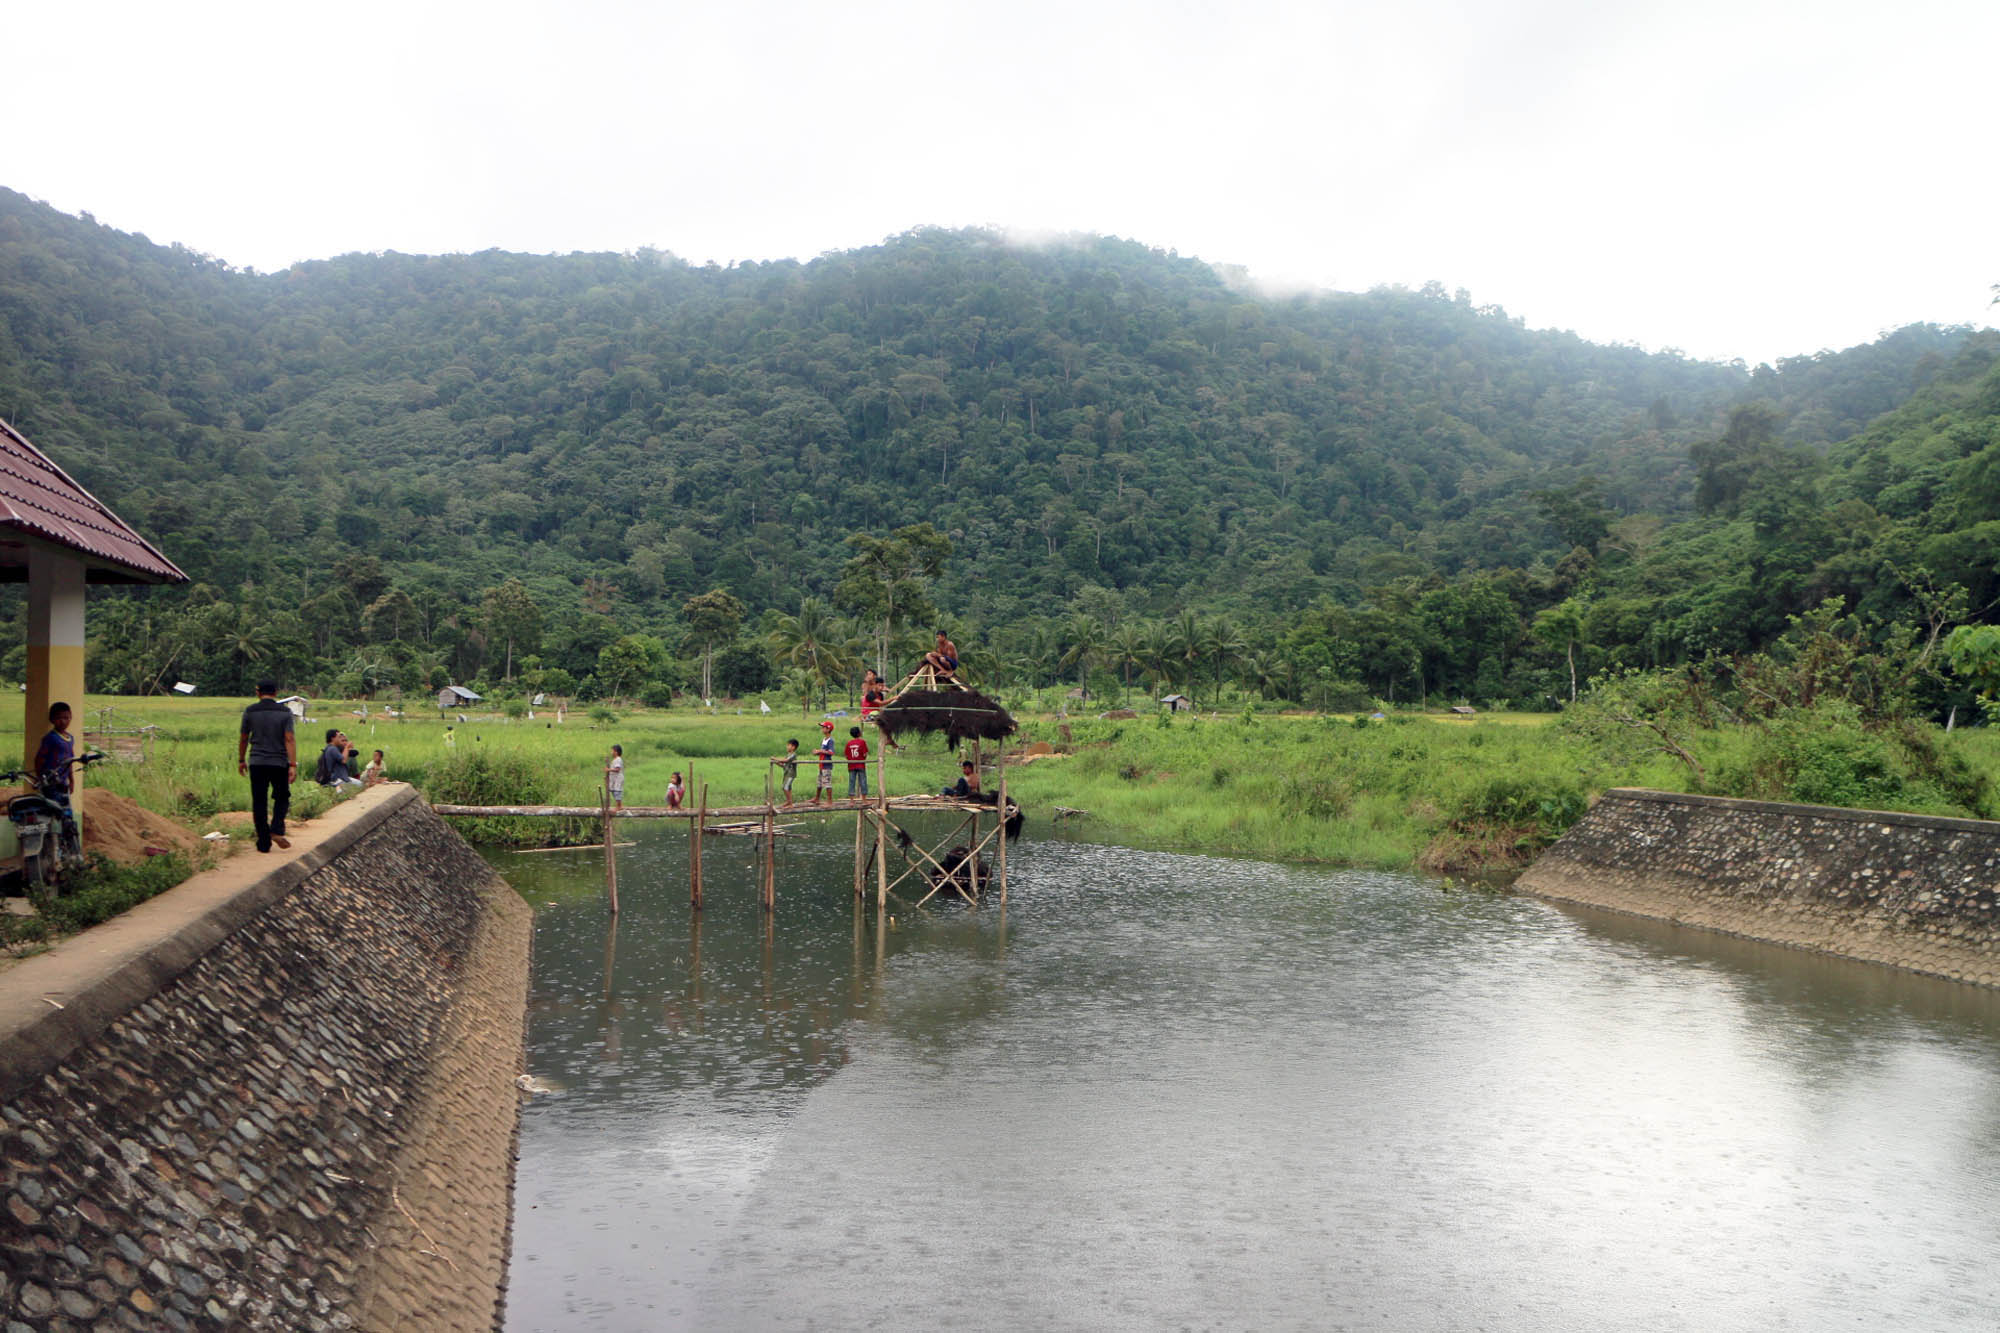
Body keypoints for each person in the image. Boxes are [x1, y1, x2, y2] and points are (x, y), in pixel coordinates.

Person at [237, 681, 297, 852]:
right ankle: (277, 829)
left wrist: (241, 760)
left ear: (258, 692)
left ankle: (263, 843)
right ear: (276, 692)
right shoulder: (285, 712)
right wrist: (292, 764)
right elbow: (289, 739)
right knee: (282, 797)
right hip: (279, 762)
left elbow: (243, 738)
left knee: (259, 801)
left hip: (257, 762)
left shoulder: (250, 711)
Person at [32, 701, 75, 804]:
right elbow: (39, 759)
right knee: (53, 808)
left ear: (71, 718)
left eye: (66, 718)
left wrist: (72, 780)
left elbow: (69, 761)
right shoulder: (50, 738)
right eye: (59, 718)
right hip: (49, 782)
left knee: (65, 809)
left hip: (63, 783)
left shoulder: (71, 738)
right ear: (52, 719)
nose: (63, 721)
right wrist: (40, 778)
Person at [813, 720, 836, 805]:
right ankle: (817, 798)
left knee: (827, 782)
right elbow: (823, 751)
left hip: (826, 764)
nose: (822, 729)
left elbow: (831, 752)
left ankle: (829, 801)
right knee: (819, 781)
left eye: (823, 727)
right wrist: (818, 752)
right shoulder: (824, 739)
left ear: (828, 729)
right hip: (821, 763)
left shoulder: (830, 740)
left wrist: (820, 751)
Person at [844, 725, 870, 798]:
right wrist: (863, 758)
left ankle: (851, 800)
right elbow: (865, 754)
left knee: (852, 781)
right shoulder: (862, 742)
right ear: (859, 733)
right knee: (863, 781)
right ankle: (864, 799)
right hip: (861, 765)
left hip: (851, 765)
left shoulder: (849, 743)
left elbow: (846, 755)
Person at [774, 739, 800, 807]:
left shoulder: (793, 755)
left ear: (793, 747)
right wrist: (776, 763)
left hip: (791, 774)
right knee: (788, 788)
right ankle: (789, 802)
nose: (787, 747)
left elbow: (786, 760)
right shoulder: (788, 754)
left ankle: (789, 802)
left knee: (785, 787)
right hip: (786, 773)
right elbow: (783, 765)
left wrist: (775, 758)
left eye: (789, 745)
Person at [606, 744, 625, 810]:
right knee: (614, 791)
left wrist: (608, 770)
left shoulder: (618, 759)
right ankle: (620, 805)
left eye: (612, 751)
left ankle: (618, 806)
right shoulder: (615, 760)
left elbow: (617, 769)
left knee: (617, 791)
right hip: (615, 780)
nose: (611, 752)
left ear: (616, 752)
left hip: (618, 779)